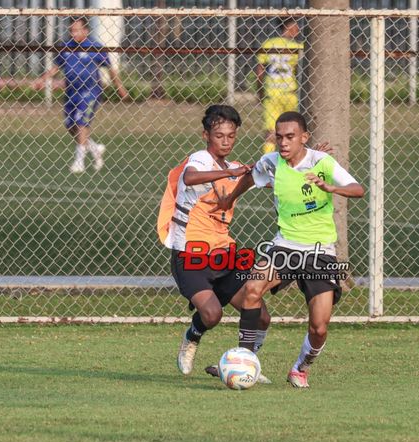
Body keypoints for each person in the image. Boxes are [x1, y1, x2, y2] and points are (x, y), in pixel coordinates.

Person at [209, 111, 364, 388]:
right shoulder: (271, 162)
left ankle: (300, 367)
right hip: (285, 246)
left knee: (319, 327)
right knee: (253, 289)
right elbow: (250, 177)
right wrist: (230, 199)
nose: (283, 142)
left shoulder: (322, 162)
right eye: (279, 137)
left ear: (304, 138)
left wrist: (331, 187)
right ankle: (246, 358)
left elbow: (357, 188)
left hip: (320, 252)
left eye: (290, 137)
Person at [156, 105, 272, 383]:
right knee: (211, 314)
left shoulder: (234, 168)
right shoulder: (199, 159)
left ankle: (248, 363)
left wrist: (312, 162)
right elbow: (190, 177)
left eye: (231, 136)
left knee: (262, 317)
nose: (226, 141)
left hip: (225, 255)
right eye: (219, 135)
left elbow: (273, 180)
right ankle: (191, 337)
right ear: (206, 134)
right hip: (191, 255)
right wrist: (227, 175)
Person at [33, 17, 128, 174]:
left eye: (76, 30)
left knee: (82, 123)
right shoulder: (66, 47)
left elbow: (110, 68)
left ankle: (79, 162)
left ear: (86, 31)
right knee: (71, 125)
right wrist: (42, 80)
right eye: (71, 30)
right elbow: (56, 67)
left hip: (90, 92)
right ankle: (94, 148)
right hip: (71, 93)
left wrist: (120, 87)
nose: (73, 33)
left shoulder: (95, 47)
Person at [256, 18, 304, 155]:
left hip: (272, 92)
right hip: (291, 93)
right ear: (288, 27)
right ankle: (294, 157)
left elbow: (260, 71)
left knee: (271, 131)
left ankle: (267, 159)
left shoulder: (268, 44)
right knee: (294, 129)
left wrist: (260, 90)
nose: (298, 30)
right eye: (295, 26)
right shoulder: (298, 47)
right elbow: (300, 71)